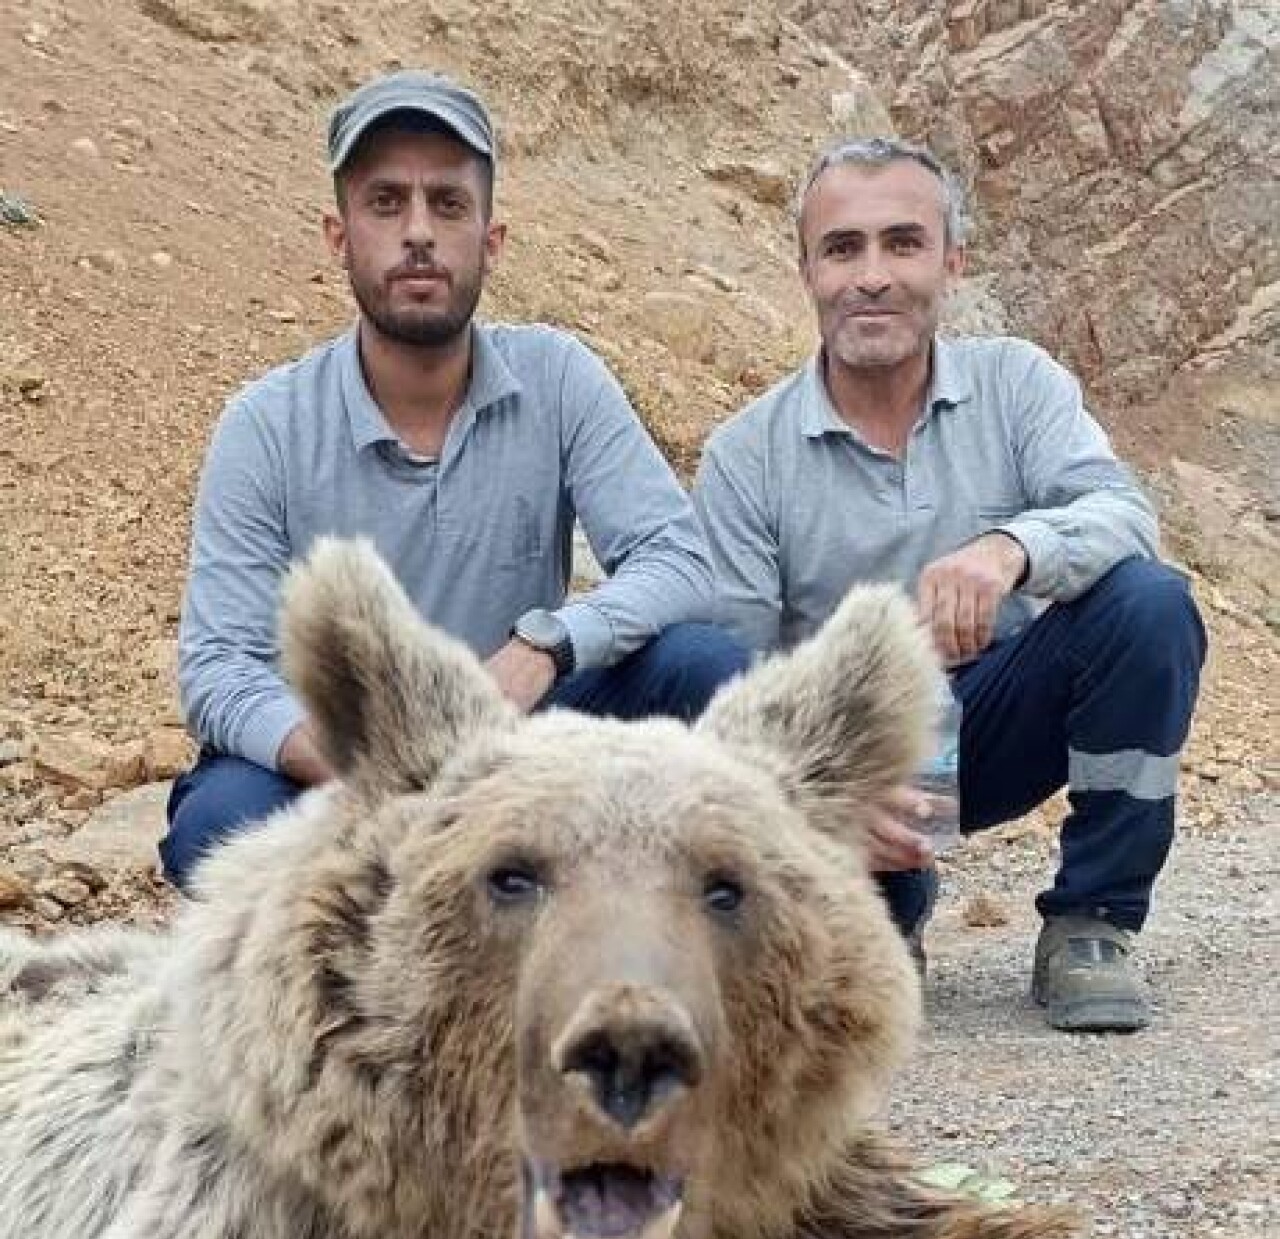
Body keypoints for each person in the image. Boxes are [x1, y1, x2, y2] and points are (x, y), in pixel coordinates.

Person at [162, 70, 747, 887]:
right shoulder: (267, 424)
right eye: (385, 202)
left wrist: (548, 643)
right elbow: (220, 663)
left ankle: (674, 950)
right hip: (344, 766)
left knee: (700, 665)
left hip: (522, 742)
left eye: (447, 204)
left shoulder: (560, 377)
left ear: (490, 239)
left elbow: (679, 563)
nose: (418, 233)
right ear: (339, 236)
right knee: (220, 826)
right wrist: (344, 756)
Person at [693, 136, 1206, 1033]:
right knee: (846, 973)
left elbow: (1122, 511)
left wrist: (1011, 548)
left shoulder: (1020, 384)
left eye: (903, 243)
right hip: (849, 763)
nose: (873, 276)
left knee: (1149, 604)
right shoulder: (746, 455)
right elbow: (728, 671)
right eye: (843, 248)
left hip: (1005, 719)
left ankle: (1094, 920)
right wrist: (817, 793)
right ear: (807, 269)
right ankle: (890, 907)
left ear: (951, 260)